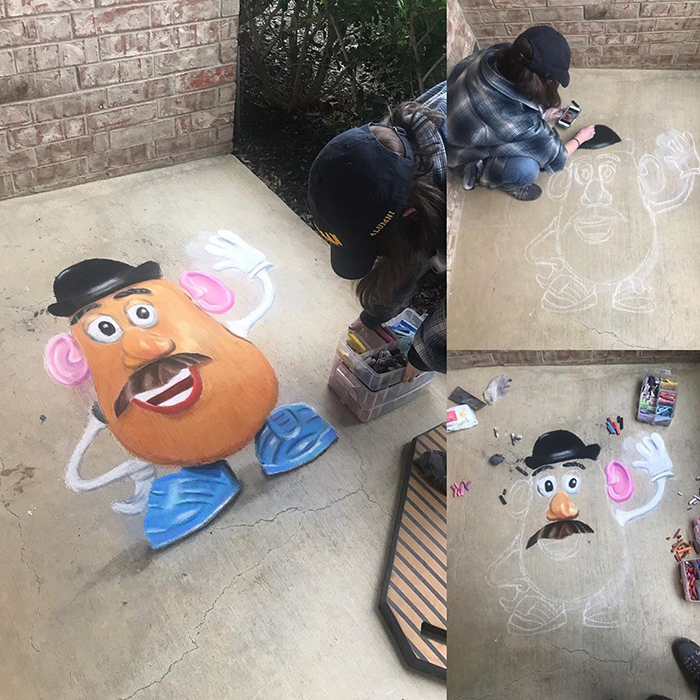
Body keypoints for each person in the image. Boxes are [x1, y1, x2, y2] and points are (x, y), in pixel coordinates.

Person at [307, 81, 447, 378]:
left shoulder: (471, 214)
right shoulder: (388, 152)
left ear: (410, 214)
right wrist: (376, 313)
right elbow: (408, 244)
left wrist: (426, 353)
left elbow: (482, 298)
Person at [448, 25, 597, 202]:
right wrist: (580, 138)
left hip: (459, 111)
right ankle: (512, 185)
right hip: (461, 157)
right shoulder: (517, 121)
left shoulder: (498, 53)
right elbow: (556, 157)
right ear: (538, 82)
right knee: (526, 169)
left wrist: (544, 114)